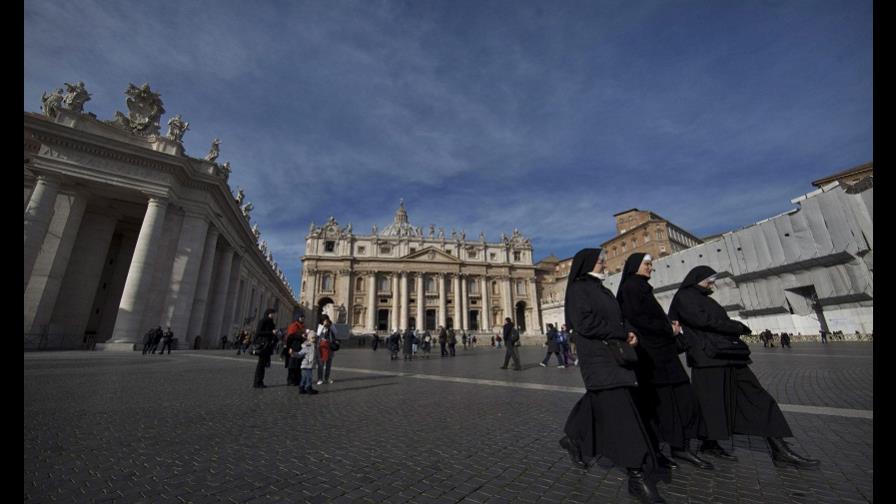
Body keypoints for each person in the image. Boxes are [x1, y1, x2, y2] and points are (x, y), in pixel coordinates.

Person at [669, 266, 819, 469]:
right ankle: (709, 444)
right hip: (708, 358)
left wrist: (732, 326)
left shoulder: (703, 298)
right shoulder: (685, 297)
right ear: (697, 279)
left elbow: (713, 321)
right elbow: (703, 321)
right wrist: (736, 327)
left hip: (727, 356)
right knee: (710, 405)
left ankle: (779, 448)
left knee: (757, 398)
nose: (712, 283)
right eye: (709, 279)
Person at [559, 248, 665, 504]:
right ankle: (637, 475)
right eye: (601, 261)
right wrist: (620, 334)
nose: (605, 265)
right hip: (598, 360)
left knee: (600, 401)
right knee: (622, 416)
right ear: (588, 264)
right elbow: (584, 324)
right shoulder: (578, 290)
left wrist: (628, 331)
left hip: (613, 358)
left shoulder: (602, 289)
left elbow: (618, 318)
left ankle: (574, 438)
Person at [617, 253, 712, 471]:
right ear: (635, 266)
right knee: (666, 403)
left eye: (651, 264)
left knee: (681, 398)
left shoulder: (640, 287)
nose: (651, 267)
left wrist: (667, 326)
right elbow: (640, 320)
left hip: (662, 353)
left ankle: (681, 445)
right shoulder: (632, 287)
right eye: (647, 264)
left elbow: (650, 318)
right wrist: (668, 329)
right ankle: (668, 448)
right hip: (652, 356)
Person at [253, 308, 277, 388]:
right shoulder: (263, 321)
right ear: (268, 313)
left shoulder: (271, 322)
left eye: (274, 313)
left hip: (268, 345)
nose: (274, 315)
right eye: (272, 313)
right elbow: (258, 332)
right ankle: (257, 382)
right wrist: (271, 332)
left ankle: (260, 381)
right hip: (263, 345)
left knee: (263, 364)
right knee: (261, 364)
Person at [316, 315, 338, 384]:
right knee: (321, 364)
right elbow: (318, 334)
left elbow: (336, 332)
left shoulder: (331, 326)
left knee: (329, 364)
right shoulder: (320, 326)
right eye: (325, 320)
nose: (326, 322)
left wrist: (331, 325)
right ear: (322, 321)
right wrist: (323, 326)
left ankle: (327, 378)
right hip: (321, 347)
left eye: (327, 320)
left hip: (329, 347)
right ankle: (320, 378)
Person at [296, 330, 319, 395]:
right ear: (309, 338)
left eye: (315, 338)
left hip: (309, 365)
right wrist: (293, 353)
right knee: (309, 377)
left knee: (304, 378)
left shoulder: (315, 346)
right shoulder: (307, 346)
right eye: (312, 338)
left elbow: (316, 355)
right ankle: (309, 388)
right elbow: (300, 354)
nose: (314, 339)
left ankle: (301, 388)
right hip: (306, 365)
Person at [285, 316, 305, 386]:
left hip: (300, 347)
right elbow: (290, 337)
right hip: (293, 347)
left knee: (298, 365)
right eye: (301, 317)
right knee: (292, 365)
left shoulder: (303, 326)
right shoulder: (293, 325)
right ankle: (290, 380)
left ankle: (297, 380)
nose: (302, 319)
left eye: (303, 318)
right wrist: (290, 347)